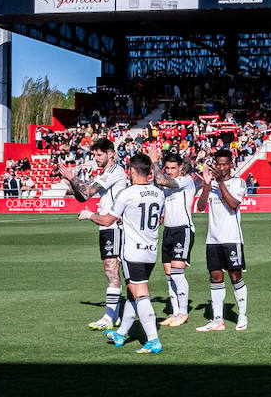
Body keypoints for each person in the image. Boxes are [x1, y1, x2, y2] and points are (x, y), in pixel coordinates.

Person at [82, 153, 167, 354]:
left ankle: (153, 340)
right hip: (151, 251)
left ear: (131, 170)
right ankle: (120, 333)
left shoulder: (127, 194)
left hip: (132, 252)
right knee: (131, 294)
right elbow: (160, 219)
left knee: (140, 294)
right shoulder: (158, 193)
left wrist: (89, 215)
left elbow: (107, 221)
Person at [58, 138, 129, 330]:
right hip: (106, 227)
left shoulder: (115, 172)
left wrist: (72, 177)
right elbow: (82, 197)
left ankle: (110, 317)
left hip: (114, 226)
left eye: (99, 154)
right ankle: (116, 315)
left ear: (111, 153)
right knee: (111, 271)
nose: (96, 158)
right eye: (94, 155)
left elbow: (87, 192)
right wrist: (70, 182)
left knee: (112, 270)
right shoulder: (107, 172)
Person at [195, 148, 249, 331]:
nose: (221, 167)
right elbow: (201, 207)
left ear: (231, 165)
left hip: (231, 238)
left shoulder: (238, 182)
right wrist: (208, 186)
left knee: (235, 276)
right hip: (213, 239)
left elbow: (233, 204)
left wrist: (219, 183)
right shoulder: (211, 184)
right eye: (218, 164)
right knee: (215, 277)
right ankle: (218, 320)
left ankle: (242, 315)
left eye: (225, 164)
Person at [150, 150, 199, 327]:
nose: (170, 171)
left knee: (178, 272)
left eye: (173, 168)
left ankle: (183, 312)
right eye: (167, 168)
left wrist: (154, 162)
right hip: (168, 231)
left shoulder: (185, 181)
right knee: (169, 275)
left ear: (181, 169)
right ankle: (174, 311)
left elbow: (161, 180)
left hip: (183, 230)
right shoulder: (166, 187)